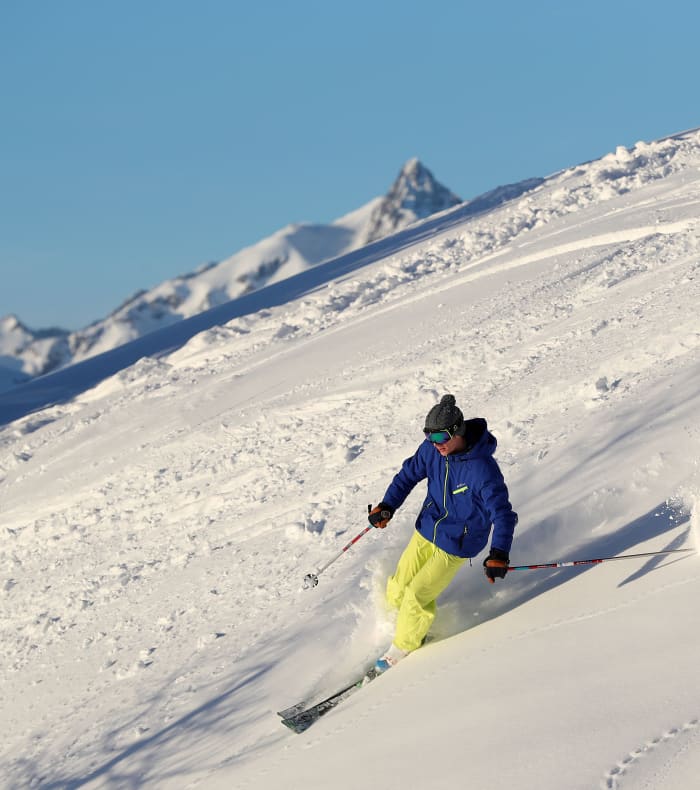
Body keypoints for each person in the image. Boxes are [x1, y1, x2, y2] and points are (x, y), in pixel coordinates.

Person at [368, 394, 518, 673]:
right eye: (430, 437)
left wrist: (499, 553)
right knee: (398, 588)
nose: (436, 444)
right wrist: (388, 505)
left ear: (457, 431)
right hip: (427, 529)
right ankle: (408, 628)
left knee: (416, 596)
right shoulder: (431, 451)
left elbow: (503, 514)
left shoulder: (482, 470)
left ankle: (402, 649)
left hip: (457, 543)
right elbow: (407, 476)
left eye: (440, 437)